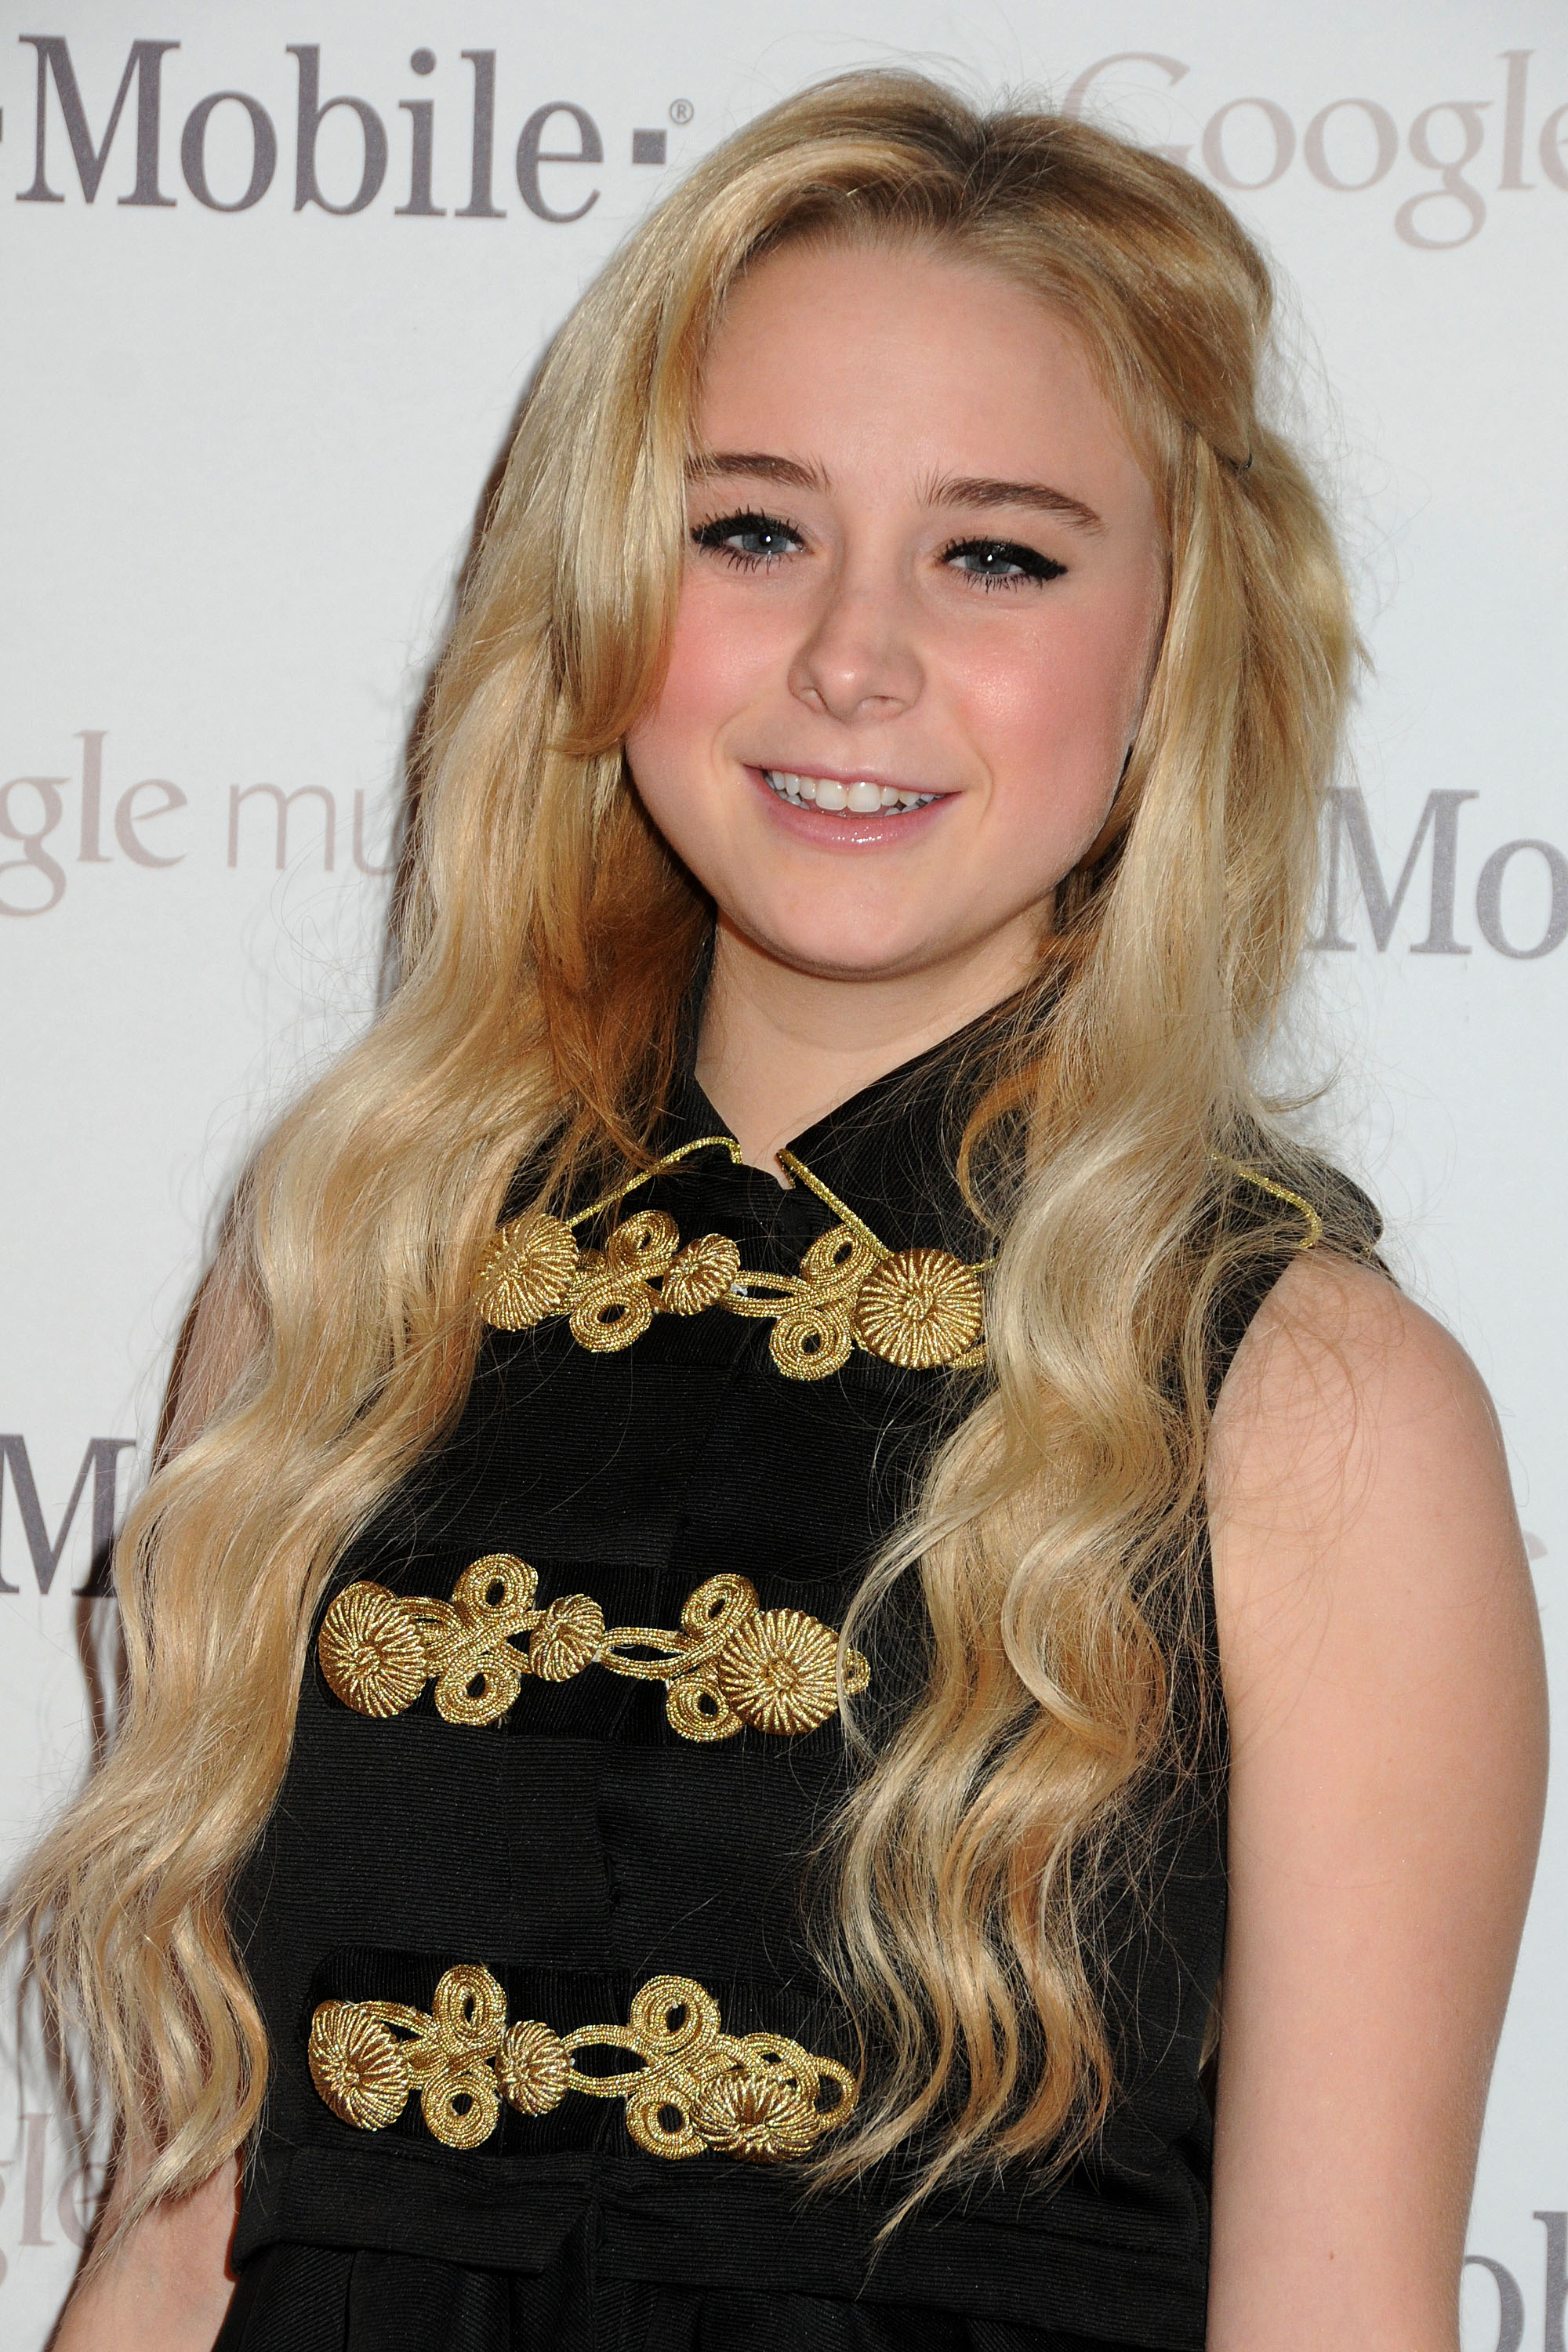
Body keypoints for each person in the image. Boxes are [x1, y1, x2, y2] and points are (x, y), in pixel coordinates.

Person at [17, 71, 1544, 2352]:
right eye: (749, 529)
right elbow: (172, 2243)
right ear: (603, 588)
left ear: (1173, 652)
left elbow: (1334, 2312)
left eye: (997, 554)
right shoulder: (334, 1285)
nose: (853, 655)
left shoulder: (1311, 1403)